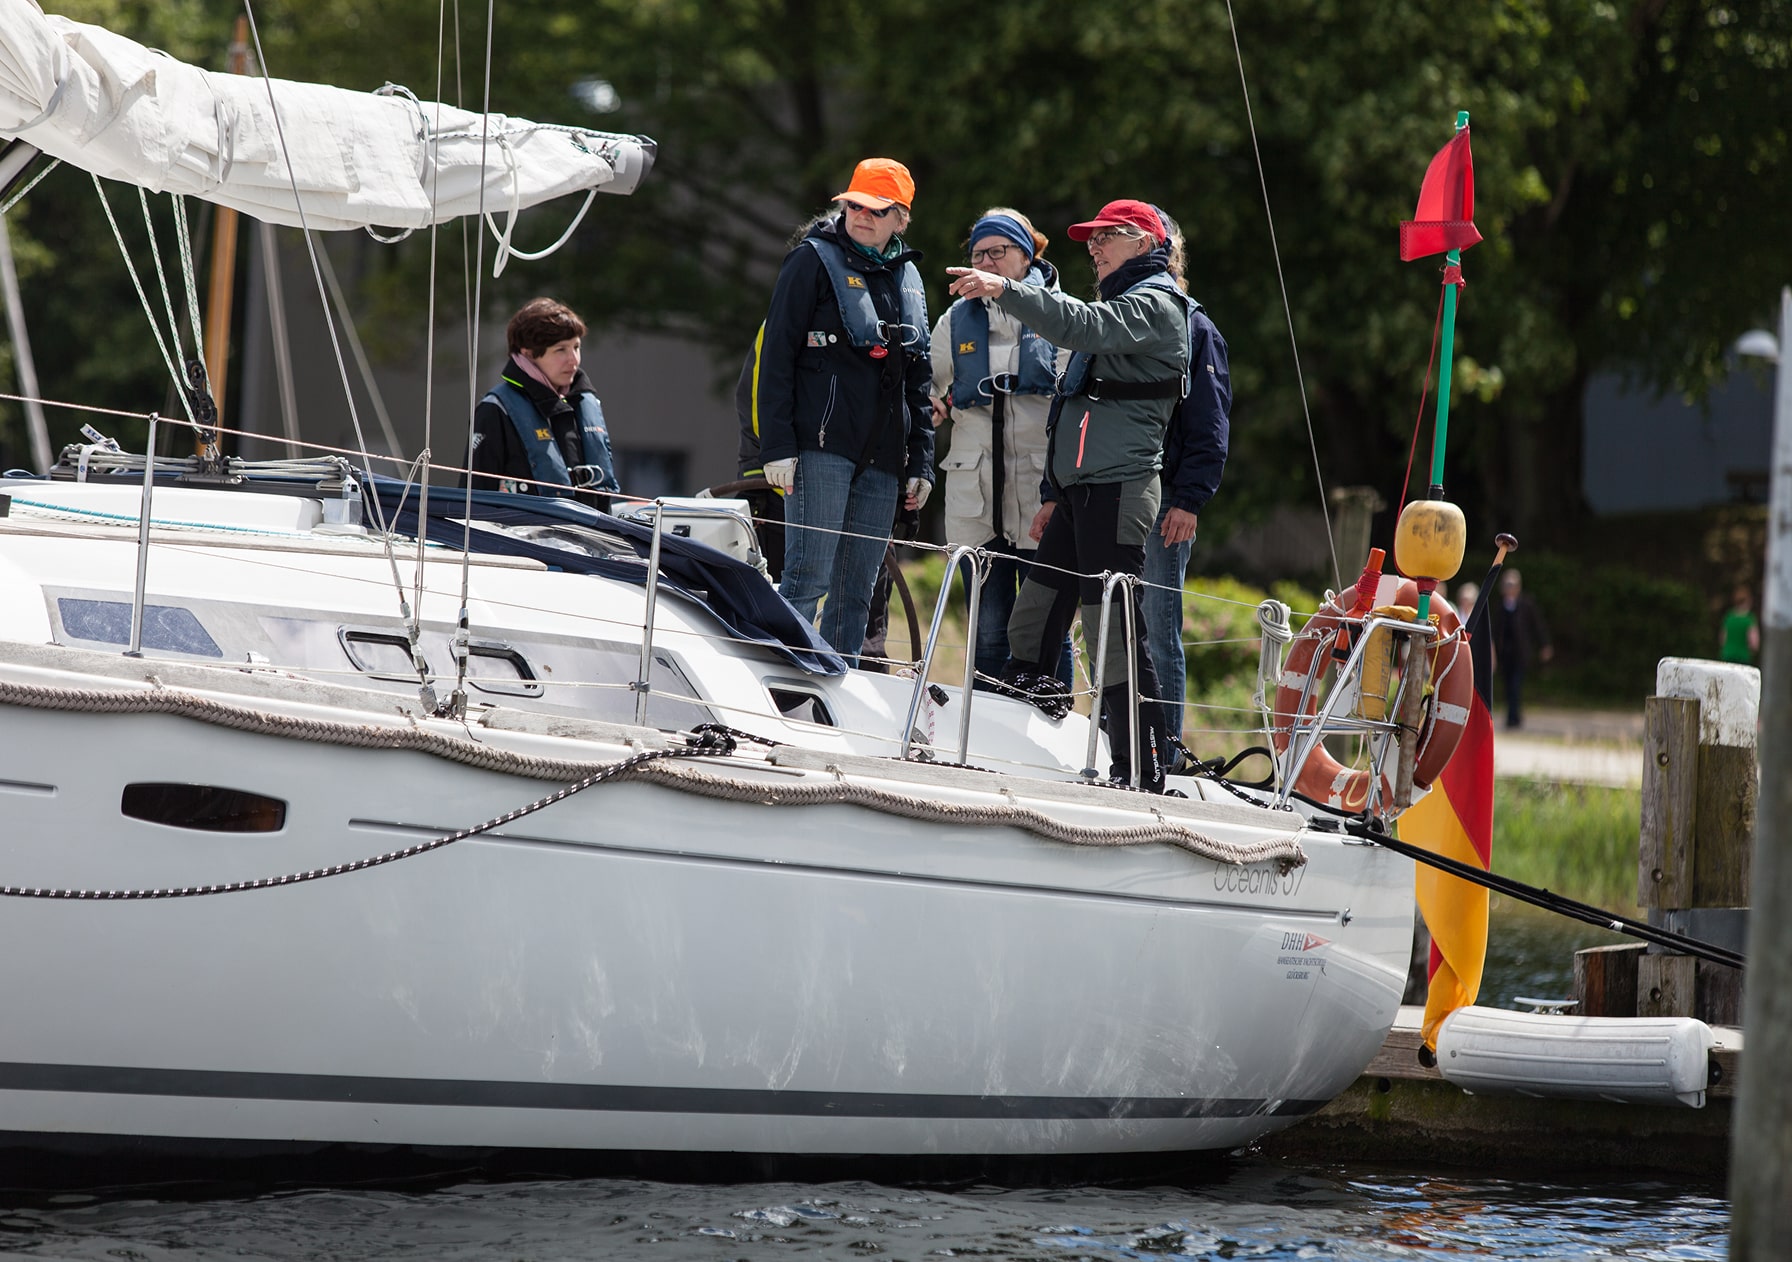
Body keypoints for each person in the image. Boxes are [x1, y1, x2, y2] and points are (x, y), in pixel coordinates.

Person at [948, 198, 1192, 792]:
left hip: (1119, 492)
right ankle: (1010, 740)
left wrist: (1005, 288)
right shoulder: (1122, 304)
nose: (1094, 248)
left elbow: (1079, 326)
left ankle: (1138, 766)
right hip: (1082, 493)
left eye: (1107, 237)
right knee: (1034, 619)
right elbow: (1074, 409)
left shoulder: (1155, 306)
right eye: (1091, 240)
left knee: (1112, 631)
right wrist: (1055, 491)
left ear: (1144, 242)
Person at [751, 158, 935, 663]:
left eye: (876, 209)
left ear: (900, 218)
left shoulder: (910, 277)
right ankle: (781, 688)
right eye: (854, 204)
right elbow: (777, 357)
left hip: (884, 459)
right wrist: (779, 446)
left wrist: (920, 463)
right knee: (806, 578)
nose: (861, 215)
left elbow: (919, 381)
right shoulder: (810, 260)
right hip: (820, 448)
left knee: (858, 593)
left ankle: (836, 698)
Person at [929, 207, 1073, 689]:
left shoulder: (1062, 314)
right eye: (978, 254)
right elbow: (927, 385)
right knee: (985, 629)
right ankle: (987, 732)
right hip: (976, 491)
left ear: (1025, 255)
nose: (986, 261)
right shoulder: (955, 321)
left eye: (998, 251)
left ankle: (1053, 727)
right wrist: (932, 405)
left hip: (1041, 492)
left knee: (1049, 623)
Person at [1140, 208, 1230, 751]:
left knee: (1157, 628)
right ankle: (1117, 740)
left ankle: (1165, 749)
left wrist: (1190, 500)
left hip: (1169, 498)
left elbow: (1210, 425)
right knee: (1117, 628)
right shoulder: (1120, 316)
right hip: (1119, 492)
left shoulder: (1198, 328)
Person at [466, 298, 620, 510]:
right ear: (528, 353)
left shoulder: (585, 403)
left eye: (576, 347)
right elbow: (472, 500)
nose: (573, 359)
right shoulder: (495, 410)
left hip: (589, 539)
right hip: (519, 540)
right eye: (561, 350)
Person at [1487, 567, 1551, 728]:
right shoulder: (1500, 607)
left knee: (1516, 685)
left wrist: (1545, 645)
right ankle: (1513, 715)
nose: (1509, 588)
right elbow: (1494, 631)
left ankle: (1513, 717)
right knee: (1508, 686)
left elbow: (1538, 626)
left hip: (1521, 653)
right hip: (1505, 653)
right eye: (1507, 585)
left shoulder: (1527, 604)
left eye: (1512, 585)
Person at [1453, 580, 1494, 708]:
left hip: (1475, 657)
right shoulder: (1455, 613)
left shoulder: (1478, 618)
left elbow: (1487, 639)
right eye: (1463, 599)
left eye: (1469, 600)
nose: (1465, 603)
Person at [1719, 585, 1760, 664]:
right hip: (1742, 657)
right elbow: (1754, 643)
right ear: (1748, 601)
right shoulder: (1749, 619)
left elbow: (1722, 639)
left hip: (1727, 655)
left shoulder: (1729, 617)